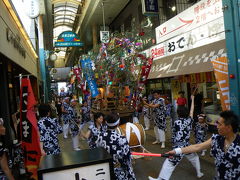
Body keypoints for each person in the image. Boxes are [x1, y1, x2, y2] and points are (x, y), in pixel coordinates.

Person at [167, 110, 240, 180]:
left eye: (220, 124)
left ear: (229, 127)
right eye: (217, 123)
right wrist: (176, 151)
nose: (217, 126)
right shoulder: (216, 139)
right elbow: (197, 147)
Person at [148, 106, 203, 180]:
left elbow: (174, 135)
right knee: (194, 158)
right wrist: (192, 99)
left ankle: (160, 179)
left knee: (169, 163)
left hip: (178, 147)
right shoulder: (189, 120)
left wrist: (173, 144)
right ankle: (199, 173)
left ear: (178, 113)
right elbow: (191, 111)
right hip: (187, 146)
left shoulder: (176, 122)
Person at [87, 112, 136, 180]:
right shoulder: (121, 139)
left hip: (104, 171)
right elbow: (127, 159)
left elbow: (96, 152)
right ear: (118, 124)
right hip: (118, 172)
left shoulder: (100, 137)